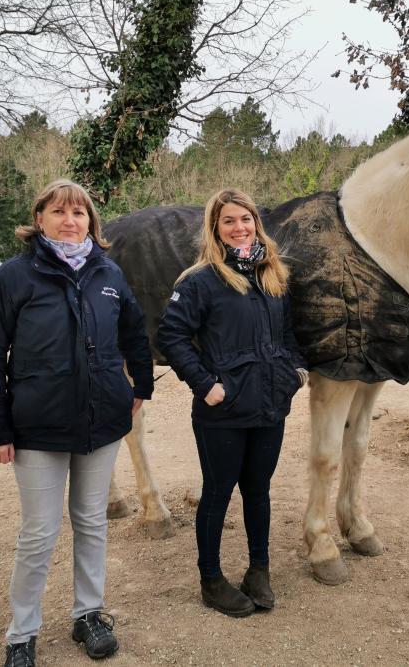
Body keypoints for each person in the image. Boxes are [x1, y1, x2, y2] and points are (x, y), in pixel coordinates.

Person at [0, 179, 154, 666]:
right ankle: (21, 633)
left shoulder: (109, 273)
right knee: (39, 532)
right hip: (37, 428)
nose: (70, 221)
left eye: (79, 213)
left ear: (92, 222)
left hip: (100, 423)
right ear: (39, 219)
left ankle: (88, 615)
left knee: (92, 522)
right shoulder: (12, 278)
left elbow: (136, 334)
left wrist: (139, 388)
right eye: (59, 211)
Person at [157, 188, 307, 618]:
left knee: (258, 490)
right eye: (229, 221)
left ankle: (259, 570)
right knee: (219, 492)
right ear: (215, 229)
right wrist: (205, 385)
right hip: (222, 411)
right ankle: (211, 579)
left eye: (246, 219)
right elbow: (171, 336)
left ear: (256, 224)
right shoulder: (201, 281)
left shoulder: (273, 276)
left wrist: (295, 373)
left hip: (269, 405)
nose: (239, 227)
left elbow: (288, 334)